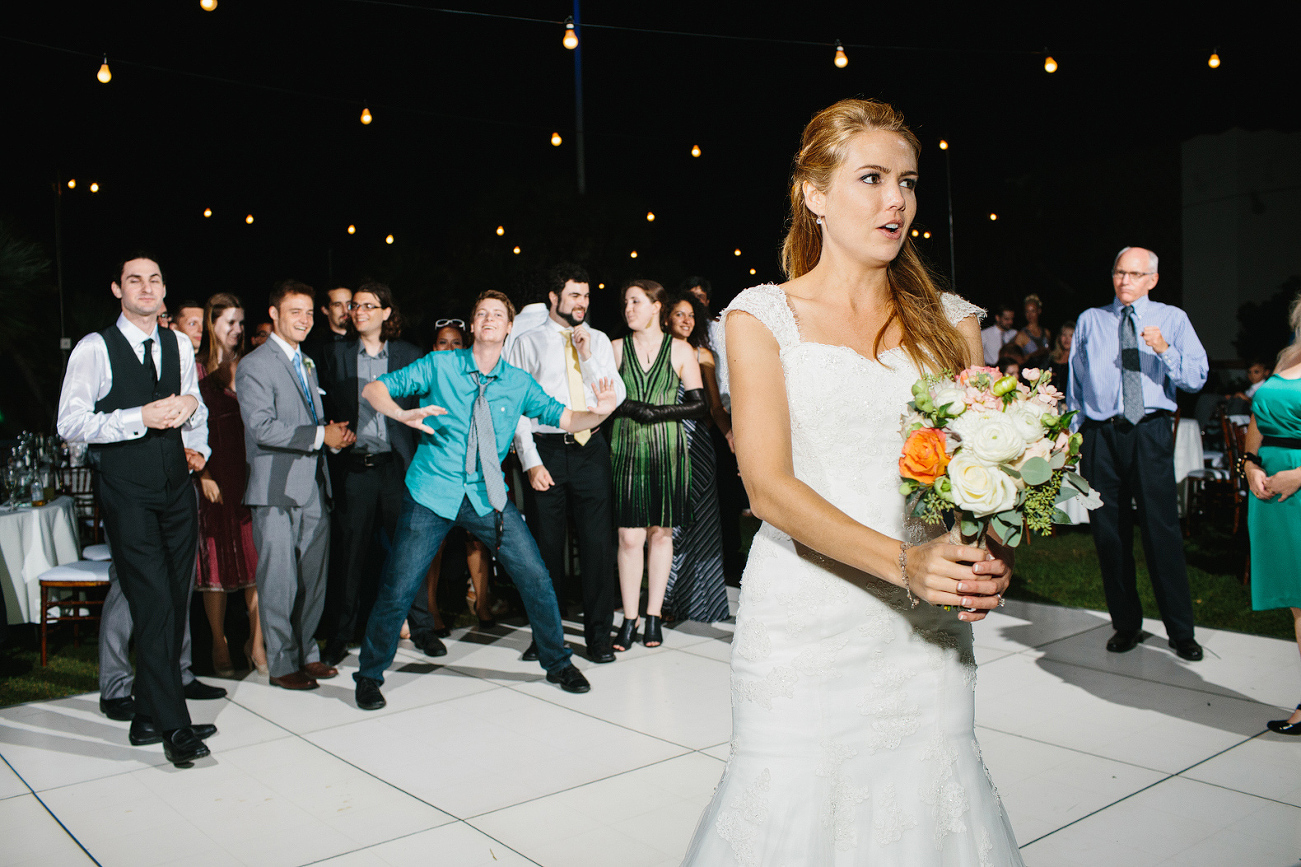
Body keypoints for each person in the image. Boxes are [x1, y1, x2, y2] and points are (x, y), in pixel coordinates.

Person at [681, 98, 1019, 864]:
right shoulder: (759, 317)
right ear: (814, 192)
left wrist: (988, 548)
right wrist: (904, 563)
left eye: (906, 181)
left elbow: (978, 474)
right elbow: (765, 487)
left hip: (923, 629)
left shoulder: (953, 322)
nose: (894, 199)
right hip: (803, 619)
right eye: (870, 177)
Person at [351, 290, 618, 710]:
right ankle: (369, 675)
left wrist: (600, 411)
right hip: (431, 493)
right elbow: (375, 389)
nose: (490, 319)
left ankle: (557, 661)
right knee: (398, 587)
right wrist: (402, 414)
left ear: (508, 328)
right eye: (482, 314)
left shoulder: (518, 383)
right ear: (473, 326)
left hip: (487, 497)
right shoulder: (440, 366)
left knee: (535, 576)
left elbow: (565, 417)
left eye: (498, 314)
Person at [56, 253, 222, 767]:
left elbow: (195, 403)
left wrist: (200, 445)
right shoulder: (94, 349)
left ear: (163, 290)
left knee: (174, 599)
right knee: (152, 603)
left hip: (177, 489)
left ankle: (148, 715)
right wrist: (138, 417)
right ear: (117, 289)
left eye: (154, 279)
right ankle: (175, 728)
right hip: (126, 492)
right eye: (135, 280)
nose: (146, 287)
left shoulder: (177, 342)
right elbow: (71, 422)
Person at [1067, 246, 1208, 660]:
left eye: (1134, 274)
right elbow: (1076, 383)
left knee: (1160, 531)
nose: (1125, 281)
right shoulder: (1091, 320)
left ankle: (1182, 632)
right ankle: (1126, 624)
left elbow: (1197, 377)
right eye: (1119, 273)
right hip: (1100, 435)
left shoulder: (1171, 319)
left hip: (1148, 431)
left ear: (1152, 280)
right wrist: (1073, 436)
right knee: (1109, 535)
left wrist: (1164, 349)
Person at [237, 279, 357, 690]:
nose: (305, 320)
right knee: (280, 579)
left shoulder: (306, 363)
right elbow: (262, 427)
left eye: (309, 313)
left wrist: (333, 438)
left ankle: (307, 653)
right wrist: (322, 436)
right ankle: (282, 663)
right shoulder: (255, 364)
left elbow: (307, 425)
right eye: (295, 312)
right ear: (274, 314)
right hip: (275, 489)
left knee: (311, 579)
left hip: (312, 487)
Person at [507, 263, 625, 663]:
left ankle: (598, 639)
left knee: (597, 549)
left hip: (591, 448)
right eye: (575, 295)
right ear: (554, 298)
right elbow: (517, 406)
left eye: (587, 296)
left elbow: (614, 396)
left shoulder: (599, 339)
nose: (582, 303)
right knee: (546, 552)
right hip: (548, 452)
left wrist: (587, 356)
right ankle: (547, 638)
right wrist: (530, 461)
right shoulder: (528, 341)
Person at [317, 282, 439, 667]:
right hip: (355, 468)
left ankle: (422, 629)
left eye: (369, 305)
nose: (360, 311)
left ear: (387, 312)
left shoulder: (409, 355)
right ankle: (339, 637)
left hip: (398, 468)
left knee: (410, 551)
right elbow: (322, 407)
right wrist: (332, 437)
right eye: (356, 305)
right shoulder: (335, 355)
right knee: (349, 558)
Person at [609, 279, 706, 650]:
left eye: (635, 301)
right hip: (627, 449)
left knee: (660, 534)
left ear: (655, 307)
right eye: (626, 302)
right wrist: (636, 409)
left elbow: (699, 405)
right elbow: (604, 398)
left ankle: (653, 617)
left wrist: (657, 412)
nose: (628, 308)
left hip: (668, 450)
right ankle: (628, 618)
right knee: (629, 536)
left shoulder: (681, 350)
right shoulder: (616, 349)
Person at [195, 293, 267, 677]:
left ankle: (255, 644)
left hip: (248, 472)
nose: (238, 330)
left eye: (242, 323)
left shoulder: (251, 366)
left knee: (255, 559)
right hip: (213, 474)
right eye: (231, 323)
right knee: (216, 563)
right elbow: (187, 431)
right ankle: (218, 642)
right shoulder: (195, 370)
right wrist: (202, 475)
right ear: (213, 324)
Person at [1243, 292, 1301, 734]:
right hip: (1271, 487)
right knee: (1299, 606)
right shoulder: (1287, 358)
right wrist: (1249, 464)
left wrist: (1298, 476)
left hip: (1297, 483)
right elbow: (1258, 421)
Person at [422, 319, 498, 633]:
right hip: (437, 471)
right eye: (443, 342)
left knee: (477, 539)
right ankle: (431, 610)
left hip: (474, 470)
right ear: (434, 348)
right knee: (434, 544)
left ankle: (482, 604)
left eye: (456, 342)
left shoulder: (477, 378)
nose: (451, 348)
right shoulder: (426, 378)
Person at [662, 294, 730, 624]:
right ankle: (668, 601)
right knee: (671, 525)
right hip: (665, 446)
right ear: (666, 318)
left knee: (702, 524)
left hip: (698, 446)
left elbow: (715, 406)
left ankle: (707, 605)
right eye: (679, 314)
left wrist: (730, 435)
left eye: (691, 315)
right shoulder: (658, 353)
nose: (687, 320)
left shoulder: (705, 354)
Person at [304, 286, 353, 366]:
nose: (345, 310)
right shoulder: (316, 349)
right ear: (325, 310)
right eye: (338, 305)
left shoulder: (364, 340)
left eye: (349, 304)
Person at [1012, 293, 1052, 366]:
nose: (1030, 315)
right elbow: (1016, 360)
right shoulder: (1021, 335)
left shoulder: (1046, 332)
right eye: (1027, 311)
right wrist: (1034, 354)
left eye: (1033, 311)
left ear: (1039, 311)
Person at [1048, 319, 1075, 387]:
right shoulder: (1050, 358)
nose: (1067, 339)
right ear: (1059, 337)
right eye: (1064, 335)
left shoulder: (1079, 361)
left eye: (1071, 335)